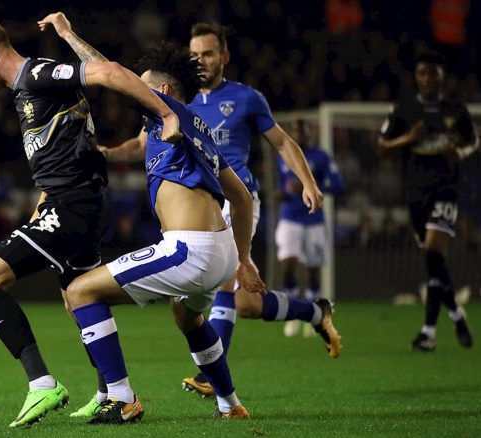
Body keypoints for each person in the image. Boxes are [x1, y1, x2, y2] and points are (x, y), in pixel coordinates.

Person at [0, 18, 182, 427]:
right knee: (79, 296)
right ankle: (115, 392)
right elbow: (60, 150)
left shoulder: (37, 74)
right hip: (71, 200)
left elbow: (108, 71)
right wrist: (42, 201)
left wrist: (165, 112)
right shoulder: (28, 90)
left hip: (74, 204)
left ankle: (41, 383)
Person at [96, 22, 341, 397]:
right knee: (245, 304)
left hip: (238, 196)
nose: (202, 60)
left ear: (224, 57)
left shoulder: (246, 99)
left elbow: (282, 142)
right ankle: (315, 313)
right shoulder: (175, 101)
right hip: (199, 198)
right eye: (195, 54)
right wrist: (108, 155)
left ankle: (215, 380)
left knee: (225, 278)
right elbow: (140, 144)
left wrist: (307, 181)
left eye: (209, 53)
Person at [50, 31, 260, 422]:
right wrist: (243, 260)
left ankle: (121, 397)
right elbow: (243, 199)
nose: (134, 90)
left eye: (141, 85)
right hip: (221, 250)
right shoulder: (199, 130)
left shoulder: (166, 110)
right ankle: (230, 405)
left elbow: (109, 72)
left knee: (79, 292)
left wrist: (67, 34)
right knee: (187, 316)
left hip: (190, 249)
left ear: (161, 90)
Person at [378, 52, 478, 352]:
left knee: (434, 252)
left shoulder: (455, 109)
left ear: (442, 77)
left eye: (433, 74)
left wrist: (459, 153)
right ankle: (457, 314)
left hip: (446, 189)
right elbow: (382, 145)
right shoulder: (405, 108)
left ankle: (428, 332)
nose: (428, 79)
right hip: (415, 193)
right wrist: (409, 138)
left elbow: (473, 139)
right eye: (423, 73)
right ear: (417, 76)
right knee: (434, 262)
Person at [277, 120, 345, 338]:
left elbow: (338, 184)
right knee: (287, 265)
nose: (300, 136)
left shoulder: (321, 156)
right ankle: (295, 314)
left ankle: (313, 315)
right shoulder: (284, 155)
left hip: (313, 219)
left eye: (304, 132)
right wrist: (285, 192)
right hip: (289, 217)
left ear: (310, 134)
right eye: (296, 133)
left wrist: (311, 186)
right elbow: (283, 184)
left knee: (313, 271)